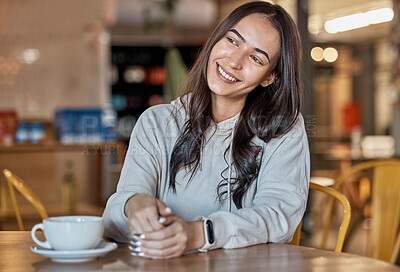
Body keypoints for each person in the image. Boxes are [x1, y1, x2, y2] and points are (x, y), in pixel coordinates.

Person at [103, 1, 310, 259]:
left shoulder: (283, 129)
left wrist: (201, 233)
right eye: (232, 41)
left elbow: (278, 217)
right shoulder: (156, 122)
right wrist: (134, 204)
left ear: (270, 77)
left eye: (256, 58)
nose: (234, 61)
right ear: (216, 39)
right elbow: (112, 219)